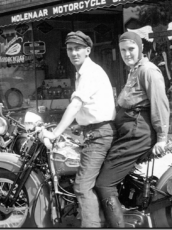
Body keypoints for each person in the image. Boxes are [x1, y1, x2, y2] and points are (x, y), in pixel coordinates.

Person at [40, 30, 116, 227]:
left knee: (82, 186)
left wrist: (56, 132)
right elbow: (87, 108)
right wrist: (72, 127)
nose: (74, 53)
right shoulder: (81, 72)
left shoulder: (90, 72)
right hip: (93, 131)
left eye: (78, 49)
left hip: (99, 135)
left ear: (88, 50)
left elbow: (75, 105)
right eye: (70, 49)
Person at [95, 31, 170, 227]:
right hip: (130, 132)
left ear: (141, 48)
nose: (127, 54)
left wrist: (162, 138)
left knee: (104, 184)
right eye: (123, 50)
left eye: (131, 49)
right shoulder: (134, 70)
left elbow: (160, 103)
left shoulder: (148, 71)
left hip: (137, 134)